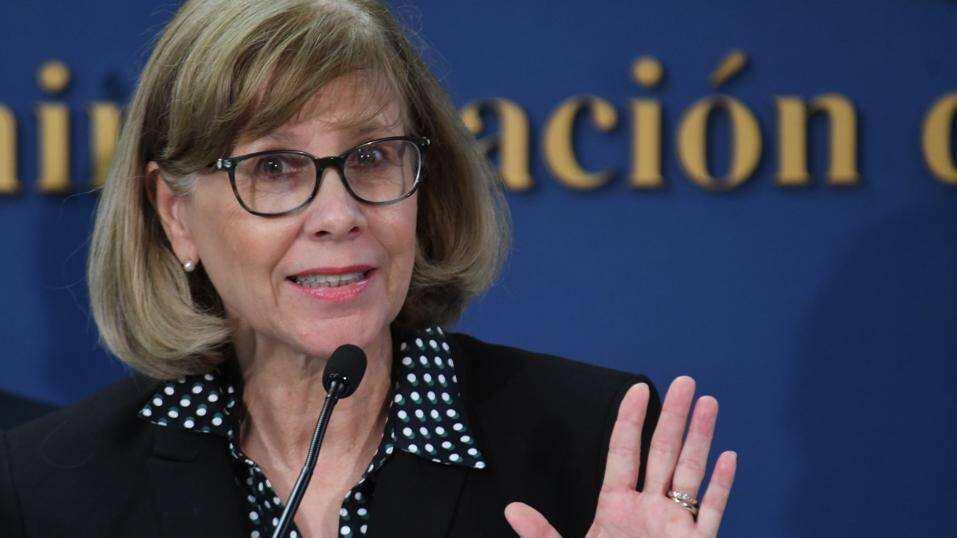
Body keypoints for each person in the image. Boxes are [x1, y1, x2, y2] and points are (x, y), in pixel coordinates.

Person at [0, 1, 736, 536]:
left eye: (372, 157)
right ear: (175, 213)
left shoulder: (593, 445)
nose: (338, 213)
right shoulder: (45, 490)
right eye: (275, 167)